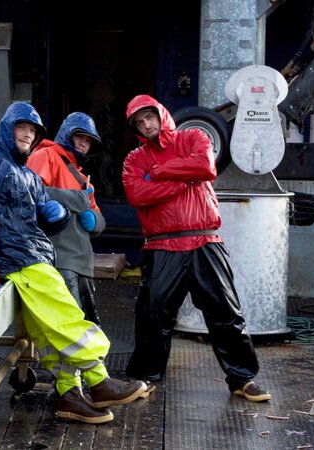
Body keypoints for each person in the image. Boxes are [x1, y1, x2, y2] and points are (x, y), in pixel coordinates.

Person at [0, 101, 146, 424]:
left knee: (46, 330)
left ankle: (69, 395)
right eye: (22, 127)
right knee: (66, 314)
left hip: (37, 254)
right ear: (7, 128)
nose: (28, 135)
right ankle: (99, 380)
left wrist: (56, 217)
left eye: (33, 130)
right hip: (21, 258)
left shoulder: (29, 175)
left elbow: (46, 218)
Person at [121, 94, 271, 403]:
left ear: (161, 114)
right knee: (153, 315)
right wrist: (184, 181)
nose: (146, 124)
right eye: (139, 122)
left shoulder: (194, 137)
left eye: (149, 116)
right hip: (161, 244)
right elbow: (138, 194)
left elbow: (205, 166)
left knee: (226, 312)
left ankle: (243, 378)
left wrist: (160, 172)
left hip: (205, 240)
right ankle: (145, 377)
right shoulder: (135, 159)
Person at [27, 112, 105, 324]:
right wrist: (78, 200)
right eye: (79, 136)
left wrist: (94, 220)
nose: (83, 143)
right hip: (58, 259)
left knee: (83, 324)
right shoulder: (46, 155)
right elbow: (29, 191)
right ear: (66, 134)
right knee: (68, 326)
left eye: (88, 140)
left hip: (82, 264)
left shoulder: (84, 180)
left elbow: (99, 217)